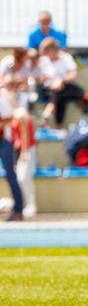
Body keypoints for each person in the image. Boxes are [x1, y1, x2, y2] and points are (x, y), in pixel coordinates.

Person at [37, 38, 84, 129]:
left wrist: (61, 80)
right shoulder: (43, 60)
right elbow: (40, 78)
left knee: (60, 92)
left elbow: (73, 74)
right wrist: (44, 79)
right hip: (49, 90)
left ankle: (46, 116)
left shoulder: (66, 58)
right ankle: (58, 125)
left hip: (65, 87)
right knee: (58, 93)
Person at [0, 79, 24, 221]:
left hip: (5, 141)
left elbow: (9, 119)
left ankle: (18, 211)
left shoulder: (2, 97)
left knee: (11, 176)